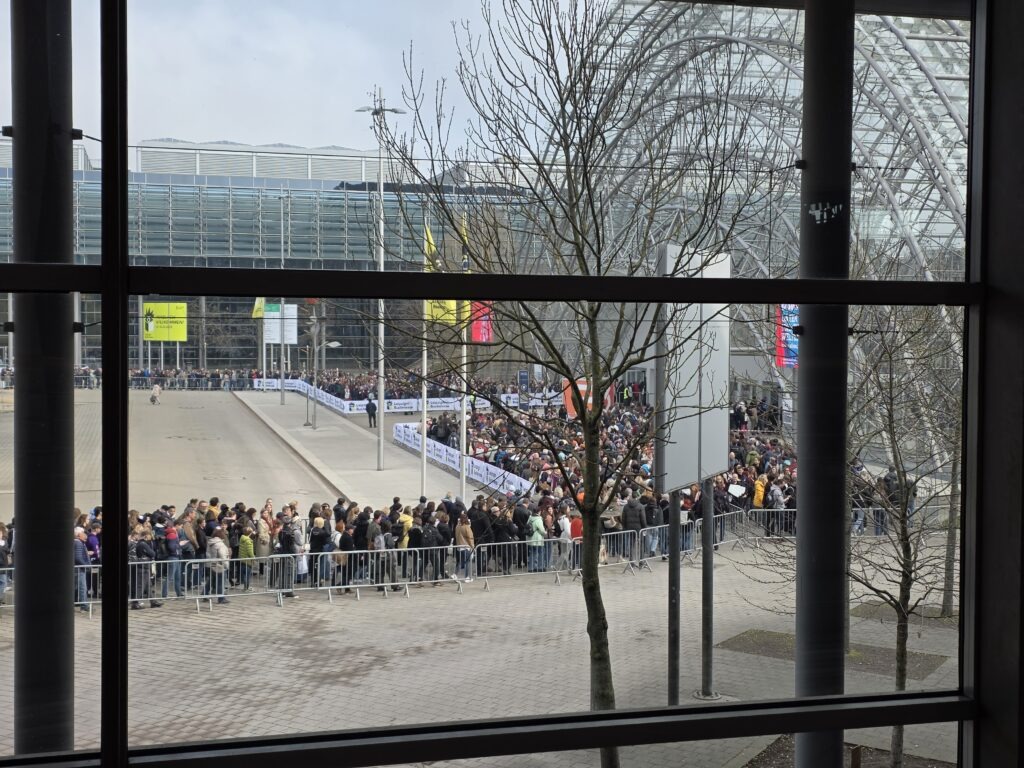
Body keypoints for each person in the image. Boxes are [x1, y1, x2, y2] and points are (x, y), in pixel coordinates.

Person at [206, 527, 230, 604]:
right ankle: (221, 598)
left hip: (212, 563)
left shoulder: (210, 542)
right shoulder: (220, 544)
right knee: (220, 582)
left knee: (211, 580)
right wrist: (226, 565)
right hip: (220, 565)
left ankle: (204, 594)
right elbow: (222, 556)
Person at [73, 526, 91, 612]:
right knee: (82, 587)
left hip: (79, 568)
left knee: (80, 587)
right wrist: (86, 565)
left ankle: (84, 605)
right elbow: (78, 557)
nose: (85, 534)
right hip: (79, 569)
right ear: (78, 534)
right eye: (83, 532)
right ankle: (84, 605)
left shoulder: (79, 542)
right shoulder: (78, 543)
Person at [454, 513, 475, 581]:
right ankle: (467, 577)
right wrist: (472, 546)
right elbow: (470, 538)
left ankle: (455, 574)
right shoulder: (467, 527)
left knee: (460, 562)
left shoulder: (457, 526)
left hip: (459, 546)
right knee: (467, 562)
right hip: (466, 547)